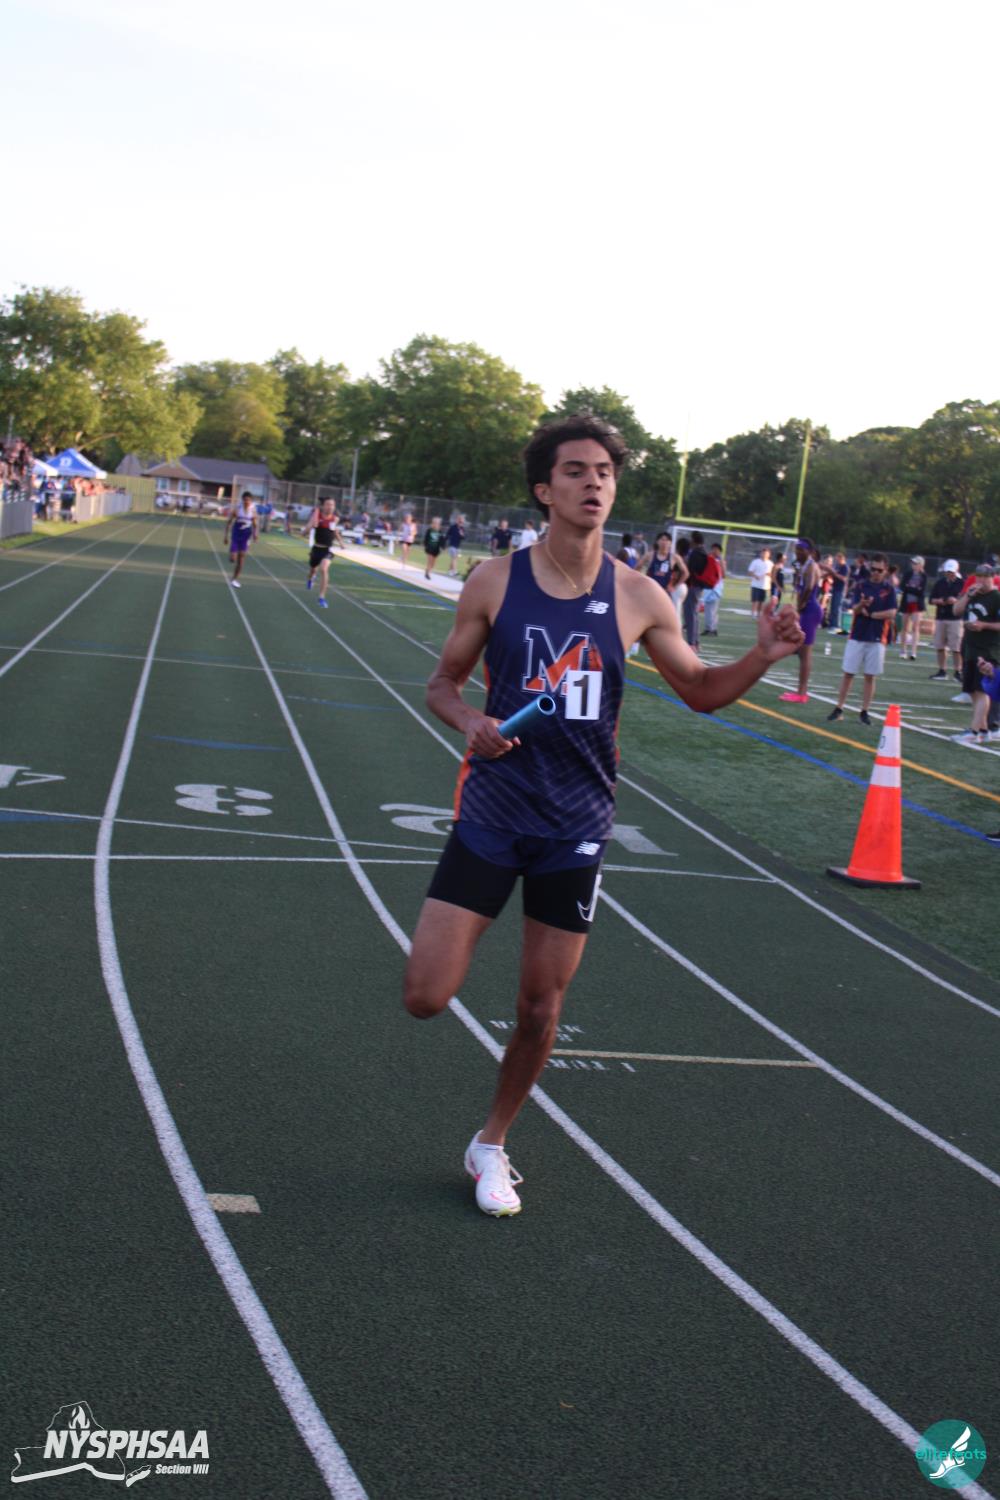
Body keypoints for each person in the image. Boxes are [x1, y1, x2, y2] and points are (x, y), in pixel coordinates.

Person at [401, 414, 804, 1217]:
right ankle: (487, 1126)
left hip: (577, 825)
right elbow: (442, 683)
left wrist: (761, 656)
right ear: (543, 489)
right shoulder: (495, 581)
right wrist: (471, 722)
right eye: (576, 470)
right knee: (425, 994)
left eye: (605, 473)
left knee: (540, 1008)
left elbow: (700, 691)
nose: (594, 483)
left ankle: (493, 1143)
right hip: (493, 811)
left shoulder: (639, 594)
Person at [826, 555, 897, 725]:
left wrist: (872, 614)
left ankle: (865, 711)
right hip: (858, 635)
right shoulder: (861, 585)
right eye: (873, 569)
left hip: (878, 637)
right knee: (848, 673)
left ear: (885, 571)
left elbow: (892, 612)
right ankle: (839, 708)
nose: (875, 573)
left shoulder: (889, 589)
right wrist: (862, 604)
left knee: (870, 676)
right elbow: (854, 609)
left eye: (879, 570)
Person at [953, 565, 1000, 746]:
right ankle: (983, 730)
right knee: (972, 691)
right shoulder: (973, 594)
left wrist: (984, 625)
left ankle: (974, 731)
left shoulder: (996, 597)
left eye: (985, 577)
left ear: (992, 577)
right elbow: (956, 611)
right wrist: (967, 595)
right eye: (978, 576)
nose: (981, 580)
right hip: (970, 648)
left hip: (988, 650)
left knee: (982, 691)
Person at [779, 538, 823, 703]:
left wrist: (801, 604)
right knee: (800, 652)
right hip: (807, 610)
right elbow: (800, 586)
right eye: (796, 549)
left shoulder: (811, 566)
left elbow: (809, 587)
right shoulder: (803, 566)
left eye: (801, 549)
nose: (797, 552)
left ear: (809, 551)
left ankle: (802, 693)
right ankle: (800, 691)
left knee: (805, 654)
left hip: (810, 610)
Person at [928, 560, 964, 682]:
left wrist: (955, 601)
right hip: (941, 617)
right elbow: (931, 600)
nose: (949, 573)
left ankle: (958, 671)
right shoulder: (940, 583)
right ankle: (942, 670)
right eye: (948, 571)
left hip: (956, 618)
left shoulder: (962, 583)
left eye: (951, 571)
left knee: (956, 648)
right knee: (940, 646)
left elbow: (966, 599)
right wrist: (940, 601)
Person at [302, 498, 339, 608]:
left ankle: (321, 598)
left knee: (324, 569)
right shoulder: (317, 517)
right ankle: (311, 578)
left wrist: (341, 542)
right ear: (323, 506)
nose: (330, 507)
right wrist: (309, 527)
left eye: (332, 505)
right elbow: (306, 530)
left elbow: (334, 531)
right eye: (328, 504)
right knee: (313, 569)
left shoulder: (335, 518)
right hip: (316, 549)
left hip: (328, 550)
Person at [224, 491, 258, 588]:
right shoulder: (237, 509)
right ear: (242, 500)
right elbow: (229, 522)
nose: (247, 502)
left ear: (251, 501)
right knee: (232, 559)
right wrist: (226, 536)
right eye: (245, 500)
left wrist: (255, 534)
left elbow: (255, 524)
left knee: (241, 559)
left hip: (246, 536)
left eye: (248, 500)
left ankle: (234, 579)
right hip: (236, 534)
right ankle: (232, 556)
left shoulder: (253, 511)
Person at [898, 555, 928, 660]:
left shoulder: (924, 576)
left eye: (915, 563)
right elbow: (902, 586)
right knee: (905, 627)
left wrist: (909, 588)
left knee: (915, 627)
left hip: (917, 604)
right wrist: (913, 588)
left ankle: (913, 652)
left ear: (921, 565)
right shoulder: (908, 574)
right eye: (913, 563)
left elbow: (921, 591)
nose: (913, 565)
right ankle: (903, 650)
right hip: (906, 602)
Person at [701, 542, 725, 635]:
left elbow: (723, 575)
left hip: (716, 588)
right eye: (713, 549)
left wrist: (721, 561)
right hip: (708, 588)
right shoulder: (709, 559)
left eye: (716, 549)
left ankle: (711, 629)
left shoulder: (720, 561)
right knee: (709, 610)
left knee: (712, 610)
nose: (714, 551)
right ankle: (711, 628)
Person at [747, 547, 772, 620]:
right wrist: (755, 576)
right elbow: (750, 572)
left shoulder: (770, 563)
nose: (764, 555)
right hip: (755, 585)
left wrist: (769, 574)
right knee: (755, 600)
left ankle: (759, 614)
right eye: (763, 553)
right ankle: (753, 614)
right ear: (761, 553)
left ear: (769, 555)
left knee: (762, 601)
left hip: (765, 585)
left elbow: (772, 573)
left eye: (766, 553)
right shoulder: (755, 562)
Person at [826, 552, 849, 632]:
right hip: (835, 589)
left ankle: (836, 625)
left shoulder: (845, 567)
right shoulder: (838, 566)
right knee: (833, 607)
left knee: (837, 607)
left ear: (842, 558)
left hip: (840, 590)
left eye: (838, 558)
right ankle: (831, 624)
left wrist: (834, 574)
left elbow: (843, 578)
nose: (837, 560)